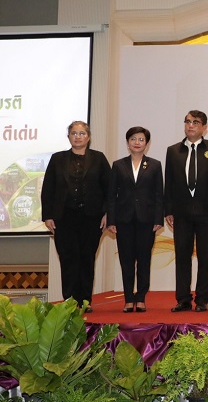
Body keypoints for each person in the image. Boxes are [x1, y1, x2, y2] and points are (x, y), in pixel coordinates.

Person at [41, 121, 111, 313]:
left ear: (88, 137)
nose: (78, 137)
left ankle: (85, 301)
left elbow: (109, 189)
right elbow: (48, 189)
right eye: (74, 133)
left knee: (87, 258)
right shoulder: (57, 159)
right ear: (69, 136)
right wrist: (48, 215)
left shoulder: (98, 158)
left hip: (92, 218)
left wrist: (107, 213)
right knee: (68, 259)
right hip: (64, 218)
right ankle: (70, 302)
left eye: (81, 133)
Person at [164, 111, 208, 313]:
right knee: (182, 256)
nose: (191, 125)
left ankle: (202, 298)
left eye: (195, 122)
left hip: (207, 213)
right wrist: (169, 210)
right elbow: (169, 182)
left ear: (204, 127)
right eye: (187, 121)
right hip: (181, 213)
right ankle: (183, 299)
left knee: (206, 256)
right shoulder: (173, 151)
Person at [107, 126, 164, 313]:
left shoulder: (154, 165)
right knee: (126, 260)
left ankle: (140, 298)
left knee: (144, 260)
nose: (137, 142)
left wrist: (158, 219)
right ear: (127, 143)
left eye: (141, 139)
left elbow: (159, 194)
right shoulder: (118, 165)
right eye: (133, 139)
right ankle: (128, 299)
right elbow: (111, 195)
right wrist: (111, 220)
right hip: (123, 220)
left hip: (147, 220)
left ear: (147, 144)